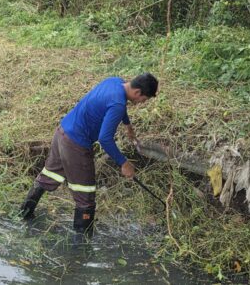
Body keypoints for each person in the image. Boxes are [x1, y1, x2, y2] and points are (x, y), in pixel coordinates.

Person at [20, 73, 159, 235]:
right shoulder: (118, 105)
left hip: (62, 132)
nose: (142, 102)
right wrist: (123, 163)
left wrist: (127, 125)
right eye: (144, 99)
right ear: (137, 92)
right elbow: (105, 139)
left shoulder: (114, 82)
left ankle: (23, 214)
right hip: (76, 144)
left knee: (48, 176)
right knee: (85, 198)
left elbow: (117, 105)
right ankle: (82, 244)